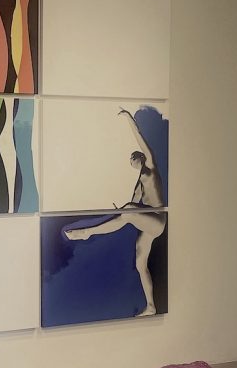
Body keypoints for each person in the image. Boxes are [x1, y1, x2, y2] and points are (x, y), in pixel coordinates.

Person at [63, 108, 166, 317]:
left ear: (139, 157)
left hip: (157, 219)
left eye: (132, 157)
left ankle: (88, 232)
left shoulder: (151, 166)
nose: (131, 160)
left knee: (128, 211)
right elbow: (132, 206)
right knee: (140, 263)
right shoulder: (139, 184)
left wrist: (129, 118)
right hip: (148, 226)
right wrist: (120, 211)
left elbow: (139, 138)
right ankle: (151, 307)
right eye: (130, 159)